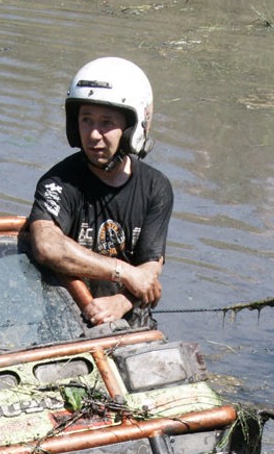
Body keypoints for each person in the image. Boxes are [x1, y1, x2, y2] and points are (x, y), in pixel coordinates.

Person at [27, 57, 174, 327]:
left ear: (133, 129)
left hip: (130, 320)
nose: (94, 134)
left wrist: (120, 302)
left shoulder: (156, 187)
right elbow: (47, 245)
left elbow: (150, 266)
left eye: (106, 123)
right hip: (66, 322)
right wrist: (123, 272)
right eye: (86, 120)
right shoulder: (57, 182)